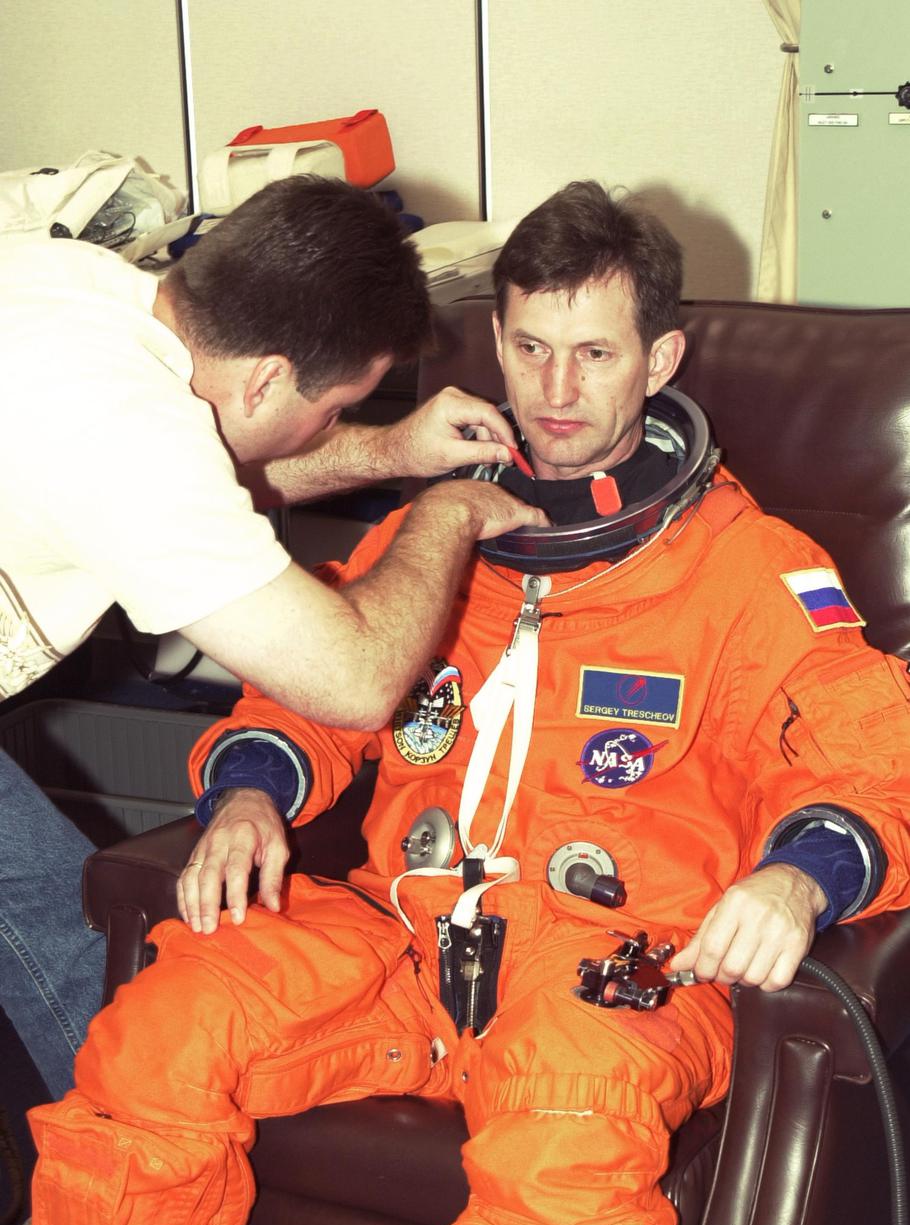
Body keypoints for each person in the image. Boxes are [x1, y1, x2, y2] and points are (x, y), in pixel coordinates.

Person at [28, 181, 910, 1225]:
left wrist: (799, 879)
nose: (556, 389)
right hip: (401, 934)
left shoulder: (745, 569)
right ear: (494, 341)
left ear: (661, 361)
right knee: (156, 1039)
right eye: (530, 348)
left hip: (611, 967)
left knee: (564, 1138)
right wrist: (249, 792)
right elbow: (302, 691)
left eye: (594, 354)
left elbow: (874, 750)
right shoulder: (435, 537)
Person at [0, 173, 544, 1105]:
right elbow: (360, 681)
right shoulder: (124, 432)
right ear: (266, 377)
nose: (334, 427)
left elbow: (203, 473)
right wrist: (446, 512)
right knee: (86, 987)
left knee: (60, 936)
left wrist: (393, 449)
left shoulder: (72, 285)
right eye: (333, 411)